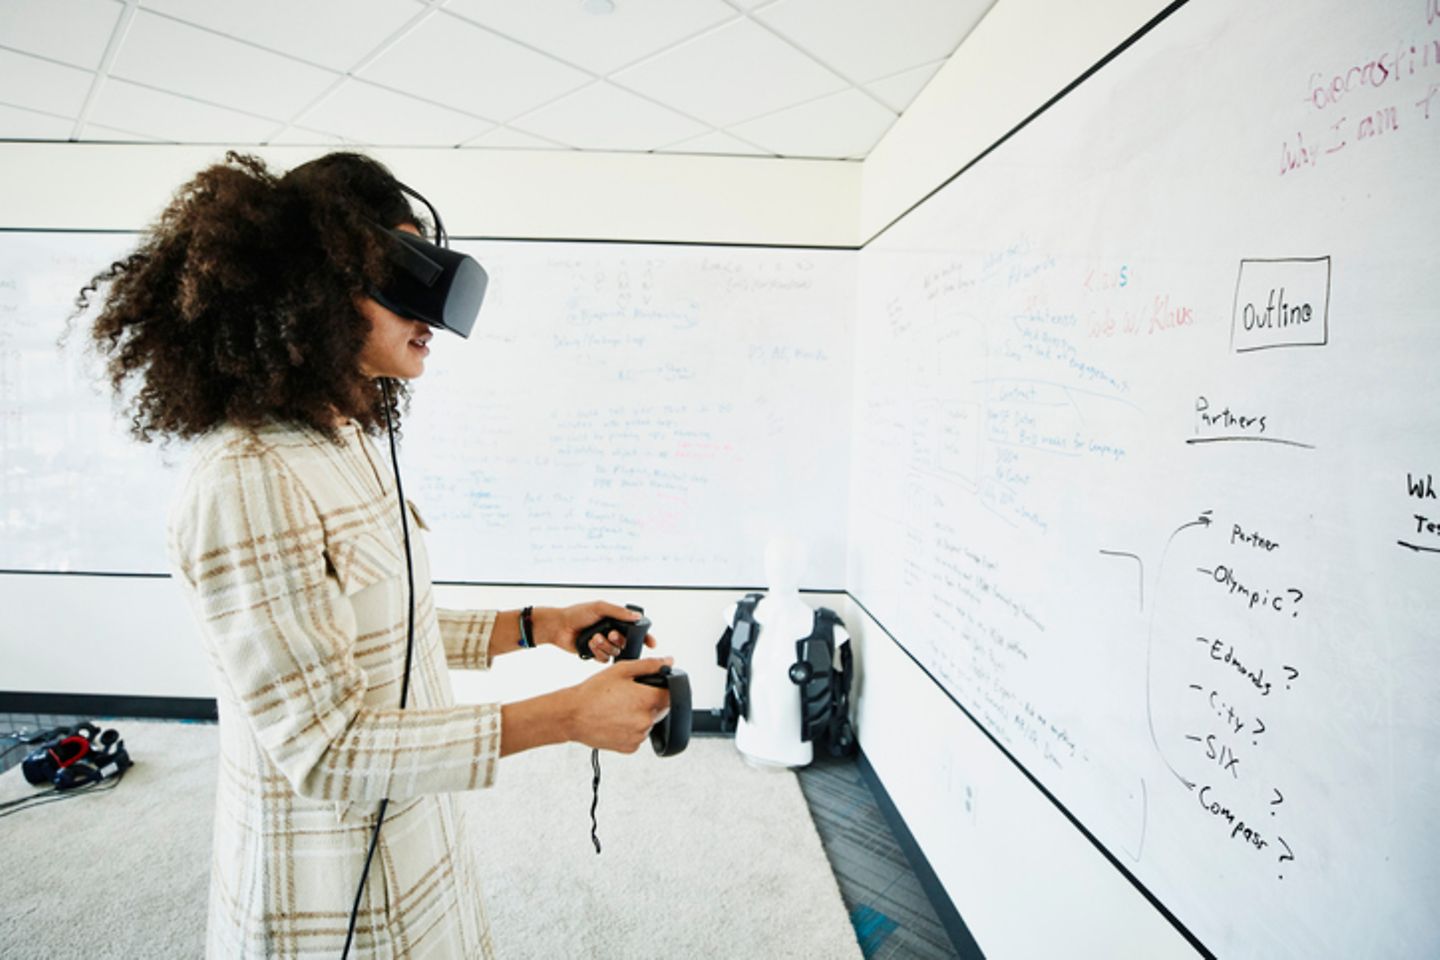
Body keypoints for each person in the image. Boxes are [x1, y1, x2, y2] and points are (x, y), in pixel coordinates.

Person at [75, 151, 672, 958]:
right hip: (331, 896)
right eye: (396, 282)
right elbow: (325, 748)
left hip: (416, 835)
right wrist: (565, 717)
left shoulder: (345, 437)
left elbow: (384, 629)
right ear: (314, 292)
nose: (429, 316)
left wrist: (539, 625)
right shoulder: (246, 480)